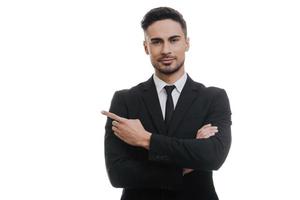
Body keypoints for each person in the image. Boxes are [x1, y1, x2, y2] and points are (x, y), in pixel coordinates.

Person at [102, 7, 232, 200]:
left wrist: (145, 139)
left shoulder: (213, 97)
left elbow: (213, 157)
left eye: (174, 40)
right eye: (156, 42)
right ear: (146, 47)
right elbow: (118, 173)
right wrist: (187, 161)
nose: (166, 50)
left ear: (187, 43)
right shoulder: (125, 100)